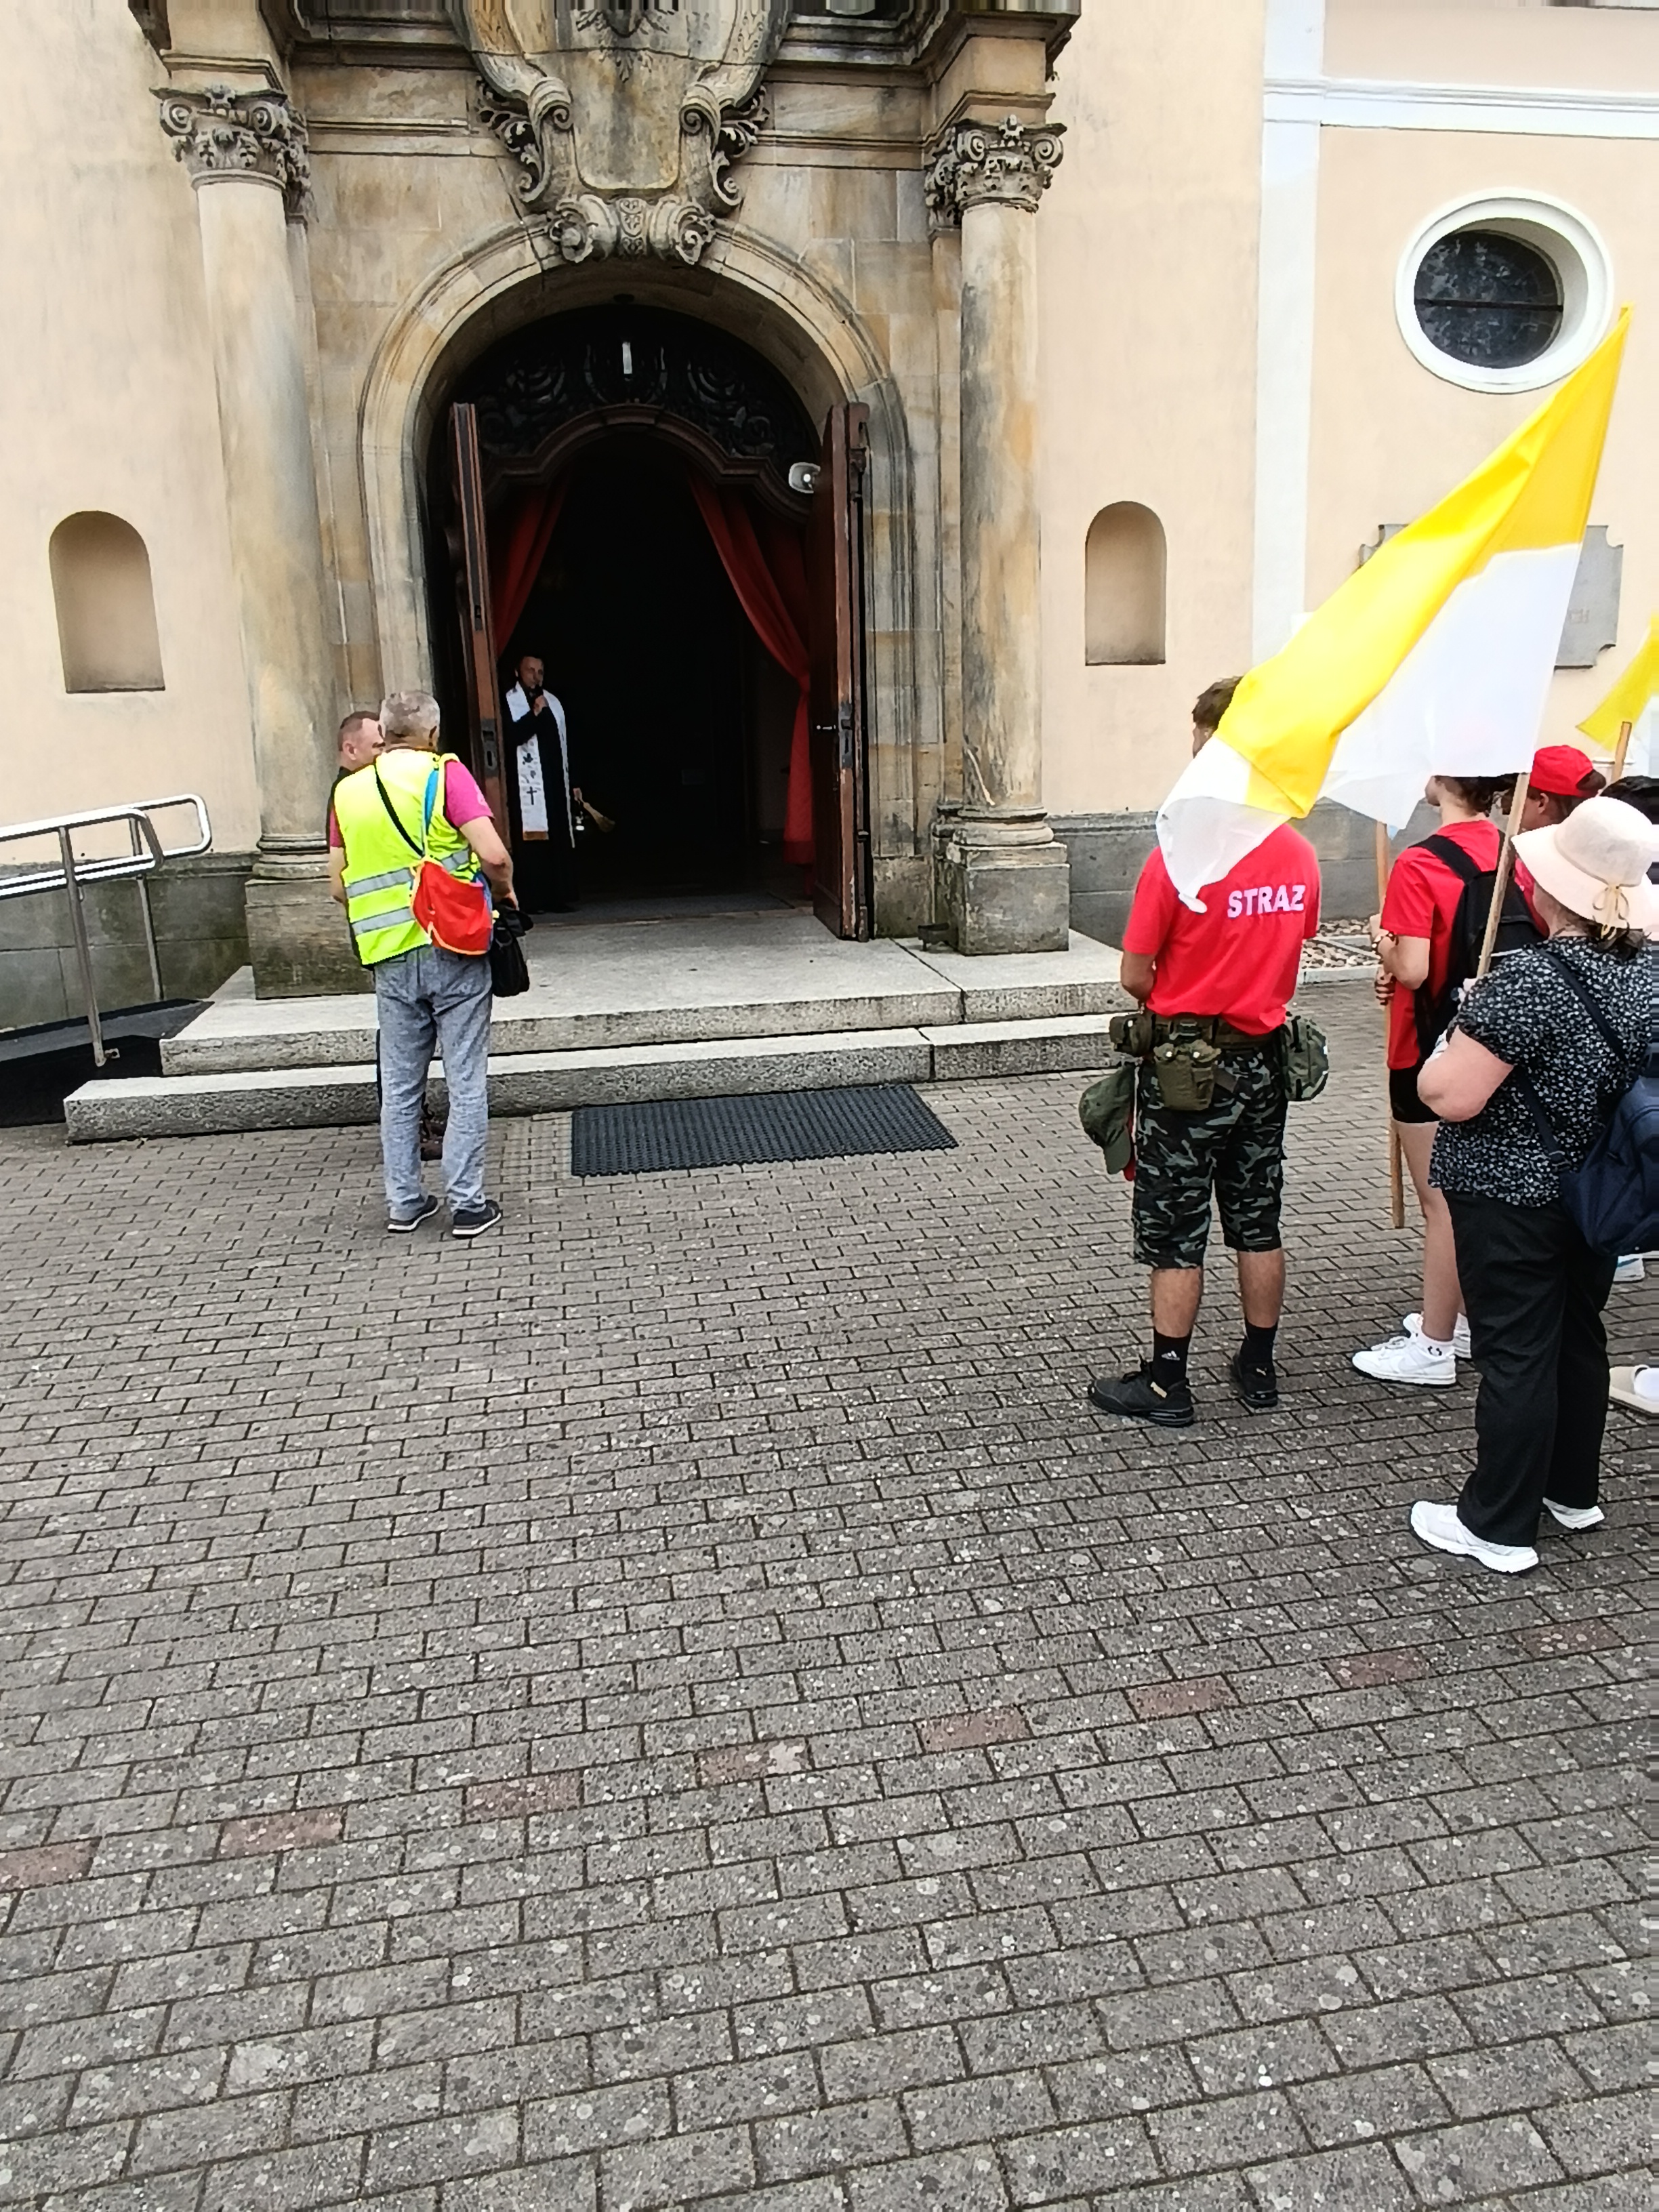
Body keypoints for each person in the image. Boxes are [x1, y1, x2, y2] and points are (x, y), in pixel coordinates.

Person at [1410, 795, 1657, 1574]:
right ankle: (1571, 1492)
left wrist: (1453, 1035)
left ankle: (1497, 1524)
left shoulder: (1532, 978)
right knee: (1578, 1338)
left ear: (1550, 887)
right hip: (1603, 1189)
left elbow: (1449, 1095)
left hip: (1510, 1191)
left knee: (1516, 1352)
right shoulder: (1652, 971)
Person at [1088, 679, 1322, 1426]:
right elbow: (1297, 942)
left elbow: (1135, 975)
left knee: (1175, 1228)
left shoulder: (1179, 854)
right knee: (1257, 1218)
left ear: (1212, 740)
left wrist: (1184, 990)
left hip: (1188, 1070)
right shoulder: (1298, 851)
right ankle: (1259, 1365)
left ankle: (1167, 1383)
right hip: (1265, 1060)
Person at [329, 689, 516, 1239]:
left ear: (384, 733)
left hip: (388, 954)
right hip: (453, 946)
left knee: (401, 1085)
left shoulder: (348, 793)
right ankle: (468, 1204)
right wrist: (505, 893)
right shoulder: (445, 774)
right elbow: (494, 855)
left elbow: (337, 885)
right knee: (465, 1078)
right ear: (432, 734)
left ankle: (405, 1203)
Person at [1354, 775, 1515, 1387]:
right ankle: (1466, 1319)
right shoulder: (1511, 849)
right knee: (1468, 1192)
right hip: (1488, 1043)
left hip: (1424, 1047)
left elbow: (1415, 968)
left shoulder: (1419, 862)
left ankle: (1433, 1345)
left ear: (1446, 778)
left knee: (1439, 1202)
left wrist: (1382, 940)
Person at [506, 653, 580, 912]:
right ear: (518, 673)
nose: (535, 677)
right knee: (532, 845)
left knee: (556, 838)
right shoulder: (509, 702)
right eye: (530, 671)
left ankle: (557, 896)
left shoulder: (553, 703)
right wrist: (534, 714)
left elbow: (565, 744)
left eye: (540, 672)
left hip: (554, 783)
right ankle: (533, 899)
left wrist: (573, 782)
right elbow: (511, 737)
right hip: (526, 785)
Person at [1509, 742, 1605, 836]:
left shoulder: (1525, 845)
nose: (1512, 801)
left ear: (1542, 803)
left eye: (1520, 793)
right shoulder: (1590, 839)